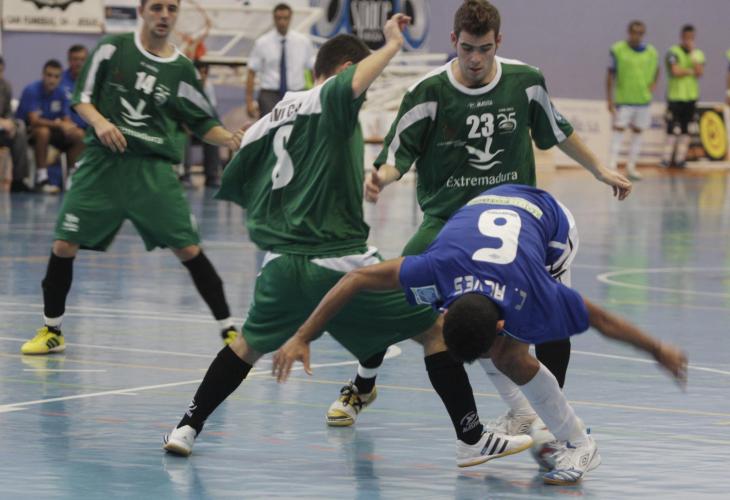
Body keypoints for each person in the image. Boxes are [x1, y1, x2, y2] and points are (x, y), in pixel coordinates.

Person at [162, 14, 533, 468]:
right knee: (434, 330)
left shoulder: (267, 121)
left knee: (245, 346)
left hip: (280, 264)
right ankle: (471, 437)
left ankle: (186, 426)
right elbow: (351, 82)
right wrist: (392, 43)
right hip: (340, 260)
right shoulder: (331, 98)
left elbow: (240, 180)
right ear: (342, 72)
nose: (362, 95)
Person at [325, 0, 632, 437]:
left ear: (498, 43)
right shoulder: (429, 91)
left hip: (517, 224)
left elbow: (558, 129)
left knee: (551, 311)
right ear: (453, 40)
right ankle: (363, 383)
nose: (475, 59)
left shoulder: (525, 81)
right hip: (448, 223)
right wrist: (381, 179)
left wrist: (599, 169)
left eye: (484, 49)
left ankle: (549, 419)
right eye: (467, 48)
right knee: (392, 297)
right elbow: (396, 156)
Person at [272, 184, 688, 485]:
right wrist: (304, 335)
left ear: (501, 323)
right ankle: (523, 413)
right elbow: (356, 278)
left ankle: (580, 444)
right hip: (485, 211)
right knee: (499, 354)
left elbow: (603, 320)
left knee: (511, 357)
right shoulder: (434, 269)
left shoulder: (532, 291)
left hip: (553, 226)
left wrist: (658, 349)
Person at [19, 0, 243, 355]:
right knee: (64, 243)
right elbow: (82, 98)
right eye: (157, 7)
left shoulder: (182, 69)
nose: (164, 15)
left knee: (188, 248)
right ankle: (52, 331)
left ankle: (230, 331)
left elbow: (203, 122)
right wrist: (101, 123)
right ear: (142, 11)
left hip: (152, 172)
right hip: (102, 165)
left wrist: (230, 138)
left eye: (171, 8)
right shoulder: (113, 48)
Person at [16, 59, 85, 193]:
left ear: (60, 78)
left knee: (78, 134)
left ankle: (72, 178)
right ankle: (42, 178)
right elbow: (34, 121)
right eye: (49, 75)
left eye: (56, 76)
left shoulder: (62, 92)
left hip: (54, 132)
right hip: (30, 134)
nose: (52, 80)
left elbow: (66, 118)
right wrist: (59, 124)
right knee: (43, 131)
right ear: (43, 75)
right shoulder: (32, 90)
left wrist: (68, 126)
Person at [606, 20, 659, 181]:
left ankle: (631, 167)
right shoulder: (618, 50)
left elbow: (657, 69)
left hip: (643, 100)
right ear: (629, 33)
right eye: (634, 32)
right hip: (624, 100)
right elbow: (610, 75)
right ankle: (611, 166)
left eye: (640, 33)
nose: (637, 36)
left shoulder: (651, 52)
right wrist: (609, 99)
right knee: (618, 131)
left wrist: (652, 86)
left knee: (638, 132)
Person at [245, 3, 315, 118]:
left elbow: (314, 70)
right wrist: (249, 102)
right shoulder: (262, 43)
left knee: (298, 126)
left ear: (291, 18)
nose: (282, 22)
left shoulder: (303, 42)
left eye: (285, 18)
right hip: (269, 94)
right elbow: (251, 72)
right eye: (279, 18)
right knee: (269, 127)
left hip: (297, 93)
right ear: (274, 18)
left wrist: (316, 95)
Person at [661, 25, 704, 168]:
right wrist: (690, 71)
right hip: (675, 96)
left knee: (686, 128)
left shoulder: (698, 54)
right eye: (686, 37)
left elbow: (699, 72)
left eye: (691, 38)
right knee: (672, 128)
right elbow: (675, 71)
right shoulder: (673, 52)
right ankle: (666, 159)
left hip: (690, 97)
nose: (688, 40)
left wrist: (692, 54)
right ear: (681, 37)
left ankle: (680, 159)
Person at [182, 61, 221, 188]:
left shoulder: (208, 87)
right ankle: (185, 176)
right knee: (184, 137)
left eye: (205, 73)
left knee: (213, 137)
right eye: (200, 72)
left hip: (200, 127)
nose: (202, 75)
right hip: (185, 128)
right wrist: (187, 126)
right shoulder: (184, 86)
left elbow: (211, 114)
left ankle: (212, 177)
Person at [0, 55, 32, 192]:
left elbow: (8, 112)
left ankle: (19, 180)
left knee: (19, 129)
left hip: (2, 131)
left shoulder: (5, 86)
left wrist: (10, 123)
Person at [60, 44, 89, 130]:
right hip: (66, 128)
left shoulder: (95, 81)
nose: (79, 63)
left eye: (83, 60)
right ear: (69, 61)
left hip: (91, 127)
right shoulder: (59, 80)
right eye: (75, 59)